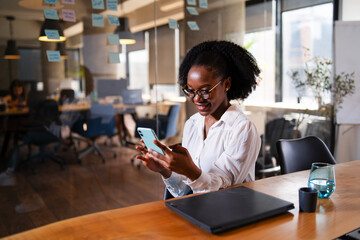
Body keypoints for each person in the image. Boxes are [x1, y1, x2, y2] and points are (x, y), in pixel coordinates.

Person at [136, 40, 262, 198]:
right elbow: (185, 190)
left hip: (234, 213)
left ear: (227, 84)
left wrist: (189, 170)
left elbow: (224, 189)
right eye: (190, 91)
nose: (196, 99)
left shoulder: (242, 128)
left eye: (204, 91)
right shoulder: (193, 124)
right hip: (198, 210)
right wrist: (165, 169)